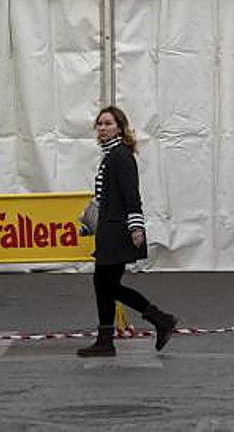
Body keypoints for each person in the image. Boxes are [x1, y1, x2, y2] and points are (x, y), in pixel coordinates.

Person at [77, 105, 177, 358]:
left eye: (108, 123)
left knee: (105, 284)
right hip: (109, 229)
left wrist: (136, 227)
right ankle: (117, 336)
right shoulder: (111, 156)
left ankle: (156, 321)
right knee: (106, 284)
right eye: (99, 124)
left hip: (118, 231)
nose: (102, 128)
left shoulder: (121, 156)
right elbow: (103, 197)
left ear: (120, 127)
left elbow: (131, 195)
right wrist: (88, 223)